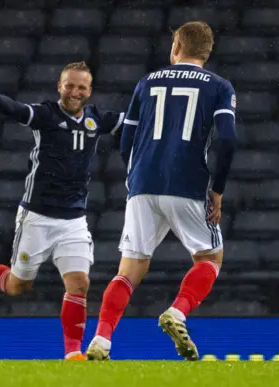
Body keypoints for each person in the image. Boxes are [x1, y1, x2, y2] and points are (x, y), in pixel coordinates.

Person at [85, 21, 238, 361]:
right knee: (210, 258)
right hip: (187, 182)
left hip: (143, 184)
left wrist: (138, 173)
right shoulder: (219, 86)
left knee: (128, 271)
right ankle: (178, 312)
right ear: (207, 53)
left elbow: (127, 139)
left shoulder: (146, 82)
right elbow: (227, 139)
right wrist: (218, 190)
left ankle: (101, 340)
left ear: (175, 48)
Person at [0, 62, 125, 360]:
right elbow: (16, 110)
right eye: (69, 85)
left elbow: (136, 120)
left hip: (74, 220)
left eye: (81, 87)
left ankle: (73, 354)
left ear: (89, 91)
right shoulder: (46, 114)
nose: (75, 92)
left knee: (79, 283)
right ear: (59, 86)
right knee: (19, 286)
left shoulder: (97, 119)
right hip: (37, 217)